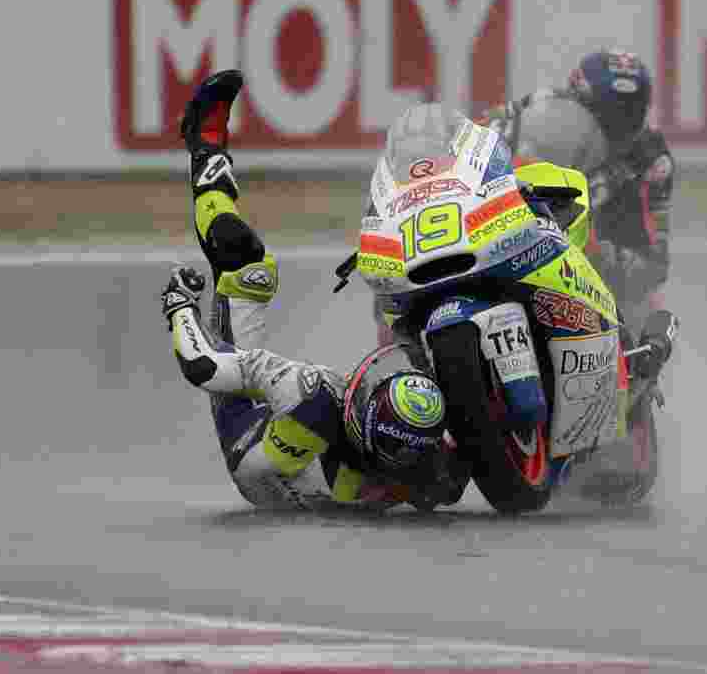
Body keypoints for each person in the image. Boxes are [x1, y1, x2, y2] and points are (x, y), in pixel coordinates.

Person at [164, 70, 676, 511]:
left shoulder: (314, 394)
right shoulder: (409, 471)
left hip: (246, 425)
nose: (407, 455)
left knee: (243, 265)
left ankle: (206, 154)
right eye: (410, 449)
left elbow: (205, 364)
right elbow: (426, 459)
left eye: (404, 446)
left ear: (362, 420)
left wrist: (179, 305)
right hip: (354, 461)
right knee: (441, 481)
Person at [164, 69, 467, 511]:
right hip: (254, 439)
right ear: (361, 425)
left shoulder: (426, 454)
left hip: (304, 490)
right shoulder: (309, 391)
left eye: (411, 456)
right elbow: (203, 365)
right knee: (247, 264)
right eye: (396, 457)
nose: (403, 467)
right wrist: (179, 304)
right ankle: (206, 146)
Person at [482, 49, 675, 332]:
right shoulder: (540, 105)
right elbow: (482, 132)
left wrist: (600, 255)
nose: (616, 124)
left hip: (598, 261)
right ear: (575, 101)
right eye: (605, 112)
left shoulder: (653, 160)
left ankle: (635, 368)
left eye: (628, 112)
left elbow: (655, 262)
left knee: (638, 311)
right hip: (519, 220)